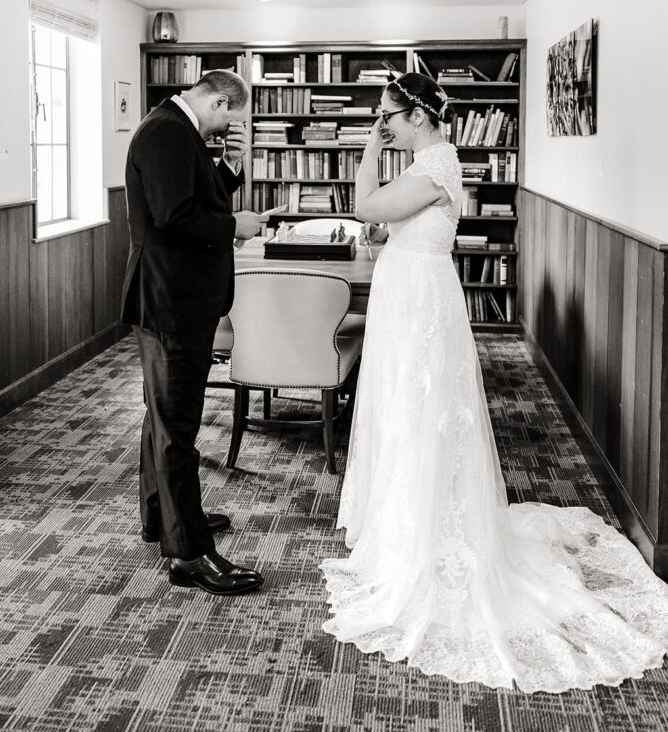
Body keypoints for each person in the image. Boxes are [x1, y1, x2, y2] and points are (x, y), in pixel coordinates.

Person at [321, 72, 668, 692]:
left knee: (422, 411)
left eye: (390, 118)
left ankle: (429, 534)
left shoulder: (434, 163)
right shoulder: (429, 161)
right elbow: (387, 221)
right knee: (403, 409)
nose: (385, 127)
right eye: (381, 122)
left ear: (419, 117)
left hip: (423, 300)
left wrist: (368, 152)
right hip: (408, 291)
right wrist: (387, 222)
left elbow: (365, 206)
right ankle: (401, 517)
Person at [121, 69, 264, 596]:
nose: (228, 127)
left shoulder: (178, 130)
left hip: (178, 298)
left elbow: (193, 195)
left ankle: (162, 519)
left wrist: (230, 168)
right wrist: (235, 226)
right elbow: (175, 215)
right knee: (178, 424)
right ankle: (189, 554)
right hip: (171, 301)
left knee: (163, 416)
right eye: (231, 117)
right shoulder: (165, 132)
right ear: (219, 101)